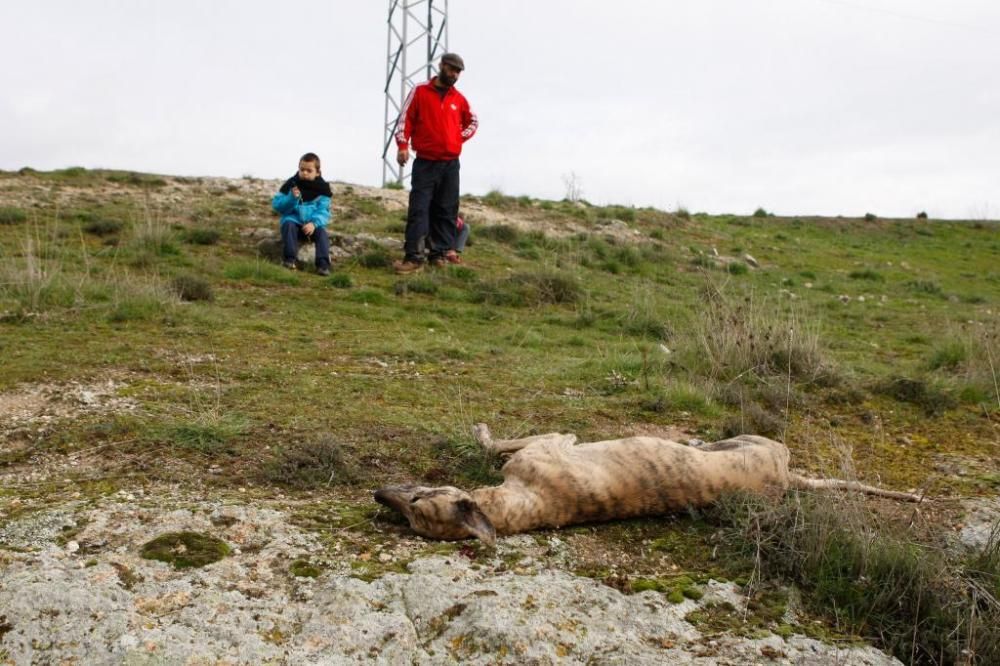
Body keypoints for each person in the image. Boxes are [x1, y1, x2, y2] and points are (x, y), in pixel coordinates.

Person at [393, 52, 478, 274]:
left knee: (447, 209)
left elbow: (473, 121)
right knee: (419, 209)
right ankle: (413, 257)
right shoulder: (420, 91)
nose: (454, 74)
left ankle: (438, 254)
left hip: (450, 164)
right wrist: (402, 145)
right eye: (451, 69)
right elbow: (405, 118)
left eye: (458, 72)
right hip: (425, 162)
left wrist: (458, 138)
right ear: (441, 66)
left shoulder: (458, 99)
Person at [271, 152, 333, 276]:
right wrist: (291, 198)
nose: (304, 173)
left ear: (318, 172)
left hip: (311, 226)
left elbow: (323, 211)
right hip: (293, 224)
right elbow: (278, 206)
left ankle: (323, 265)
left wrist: (314, 224)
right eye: (302, 169)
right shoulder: (291, 185)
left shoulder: (323, 190)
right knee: (288, 223)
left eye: (309, 170)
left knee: (322, 233)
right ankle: (289, 260)